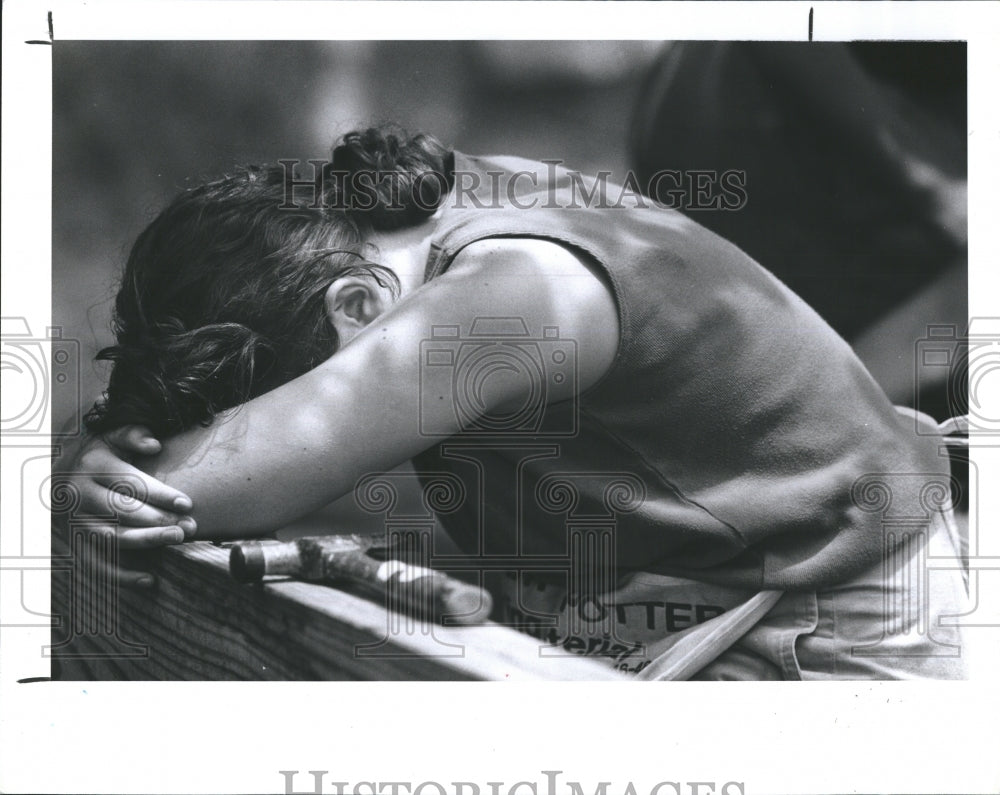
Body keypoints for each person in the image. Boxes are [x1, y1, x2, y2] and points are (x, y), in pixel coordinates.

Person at [58, 126, 969, 679]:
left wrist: (107, 474)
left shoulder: (514, 294)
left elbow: (249, 471)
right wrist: (110, 440)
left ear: (359, 307)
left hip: (830, 626)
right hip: (706, 597)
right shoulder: (400, 211)